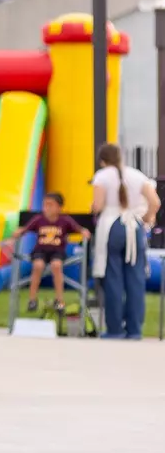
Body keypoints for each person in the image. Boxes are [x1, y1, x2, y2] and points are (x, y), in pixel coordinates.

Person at [90, 144, 159, 339]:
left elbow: (98, 205)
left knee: (112, 278)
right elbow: (155, 202)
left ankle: (115, 329)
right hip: (134, 227)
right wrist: (145, 218)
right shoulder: (137, 175)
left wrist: (93, 206)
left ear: (103, 160)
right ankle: (135, 330)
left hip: (112, 226)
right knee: (136, 279)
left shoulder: (102, 176)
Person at [6, 192, 80, 314]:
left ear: (59, 207)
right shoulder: (39, 219)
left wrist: (84, 232)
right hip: (40, 251)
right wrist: (16, 234)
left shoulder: (65, 220)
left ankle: (59, 300)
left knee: (56, 266)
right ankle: (32, 299)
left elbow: (79, 229)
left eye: (50, 205)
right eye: (45, 205)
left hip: (57, 251)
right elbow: (25, 229)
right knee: (38, 266)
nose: (47, 208)